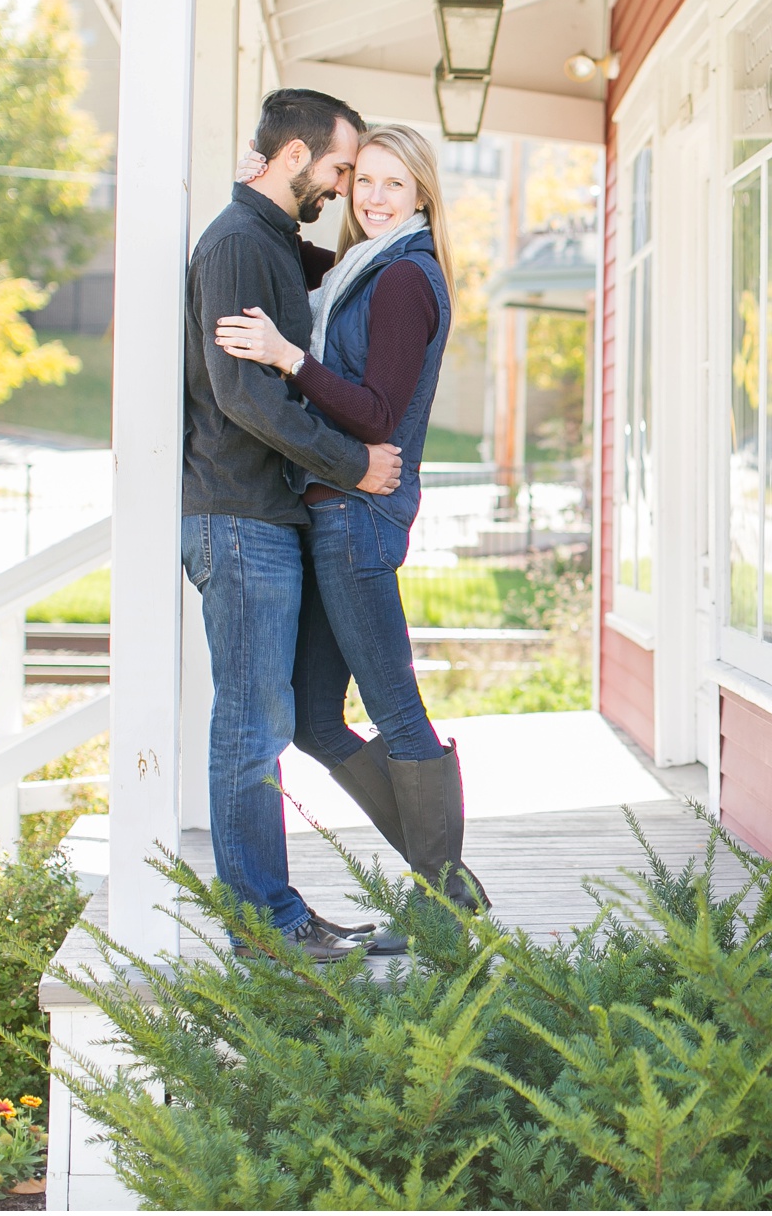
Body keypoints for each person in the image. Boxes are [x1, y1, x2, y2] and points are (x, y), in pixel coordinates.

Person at [218, 124, 490, 930]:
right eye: (362, 180)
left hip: (358, 518)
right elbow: (295, 258)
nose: (372, 197)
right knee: (311, 718)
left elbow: (375, 413)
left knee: (396, 710)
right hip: (330, 514)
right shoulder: (357, 273)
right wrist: (258, 191)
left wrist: (286, 357)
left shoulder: (406, 279)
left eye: (393, 185)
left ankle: (440, 902)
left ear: (421, 197)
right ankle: (444, 877)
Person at [182, 88, 402, 964]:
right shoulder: (239, 244)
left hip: (261, 519)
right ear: (293, 159)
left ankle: (275, 918)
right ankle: (266, 929)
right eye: (342, 169)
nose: (347, 187)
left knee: (262, 723)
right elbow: (242, 393)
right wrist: (353, 464)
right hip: (238, 519)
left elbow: (339, 267)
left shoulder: (269, 239)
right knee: (252, 729)